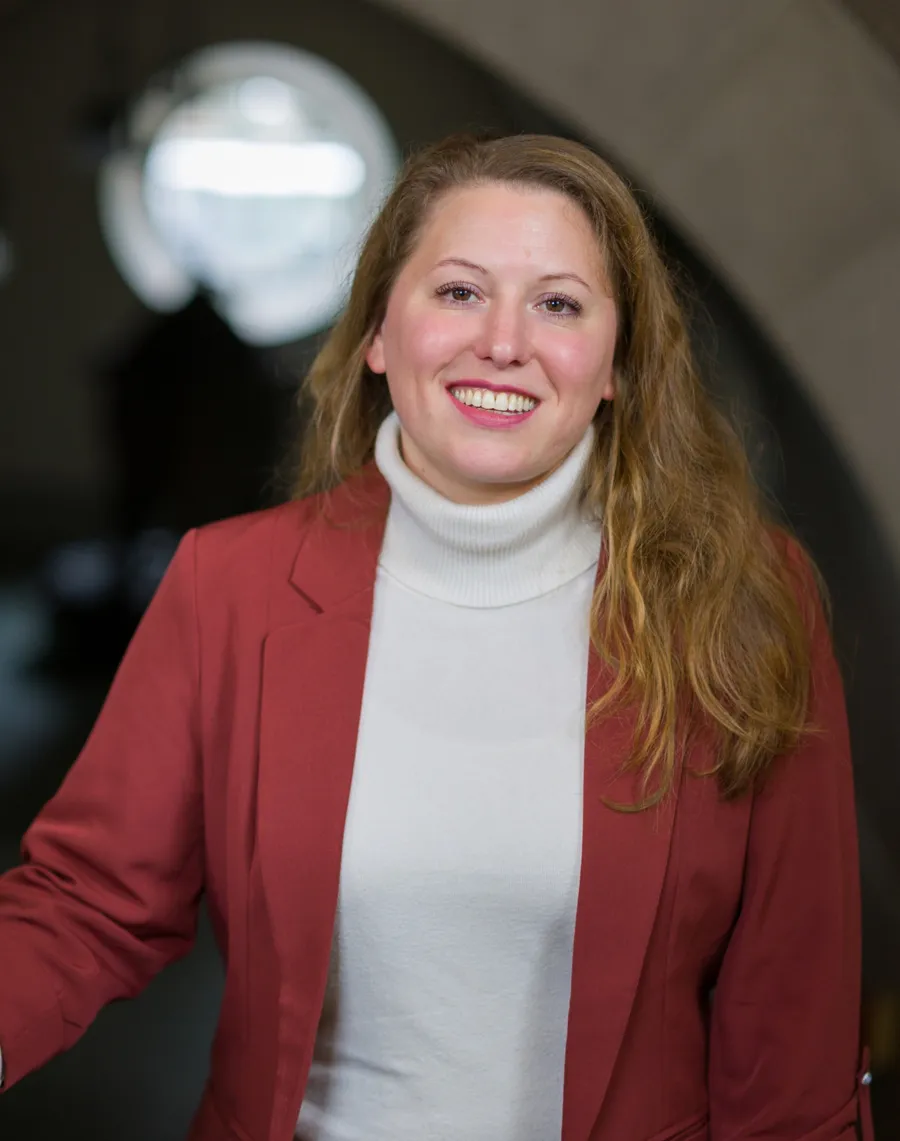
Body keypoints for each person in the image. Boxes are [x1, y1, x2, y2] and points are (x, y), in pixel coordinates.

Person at [0, 133, 873, 1141]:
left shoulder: (748, 595)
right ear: (378, 332)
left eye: (559, 303)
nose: (503, 341)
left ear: (619, 364)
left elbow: (792, 1014)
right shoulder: (228, 585)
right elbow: (88, 901)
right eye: (459, 291)